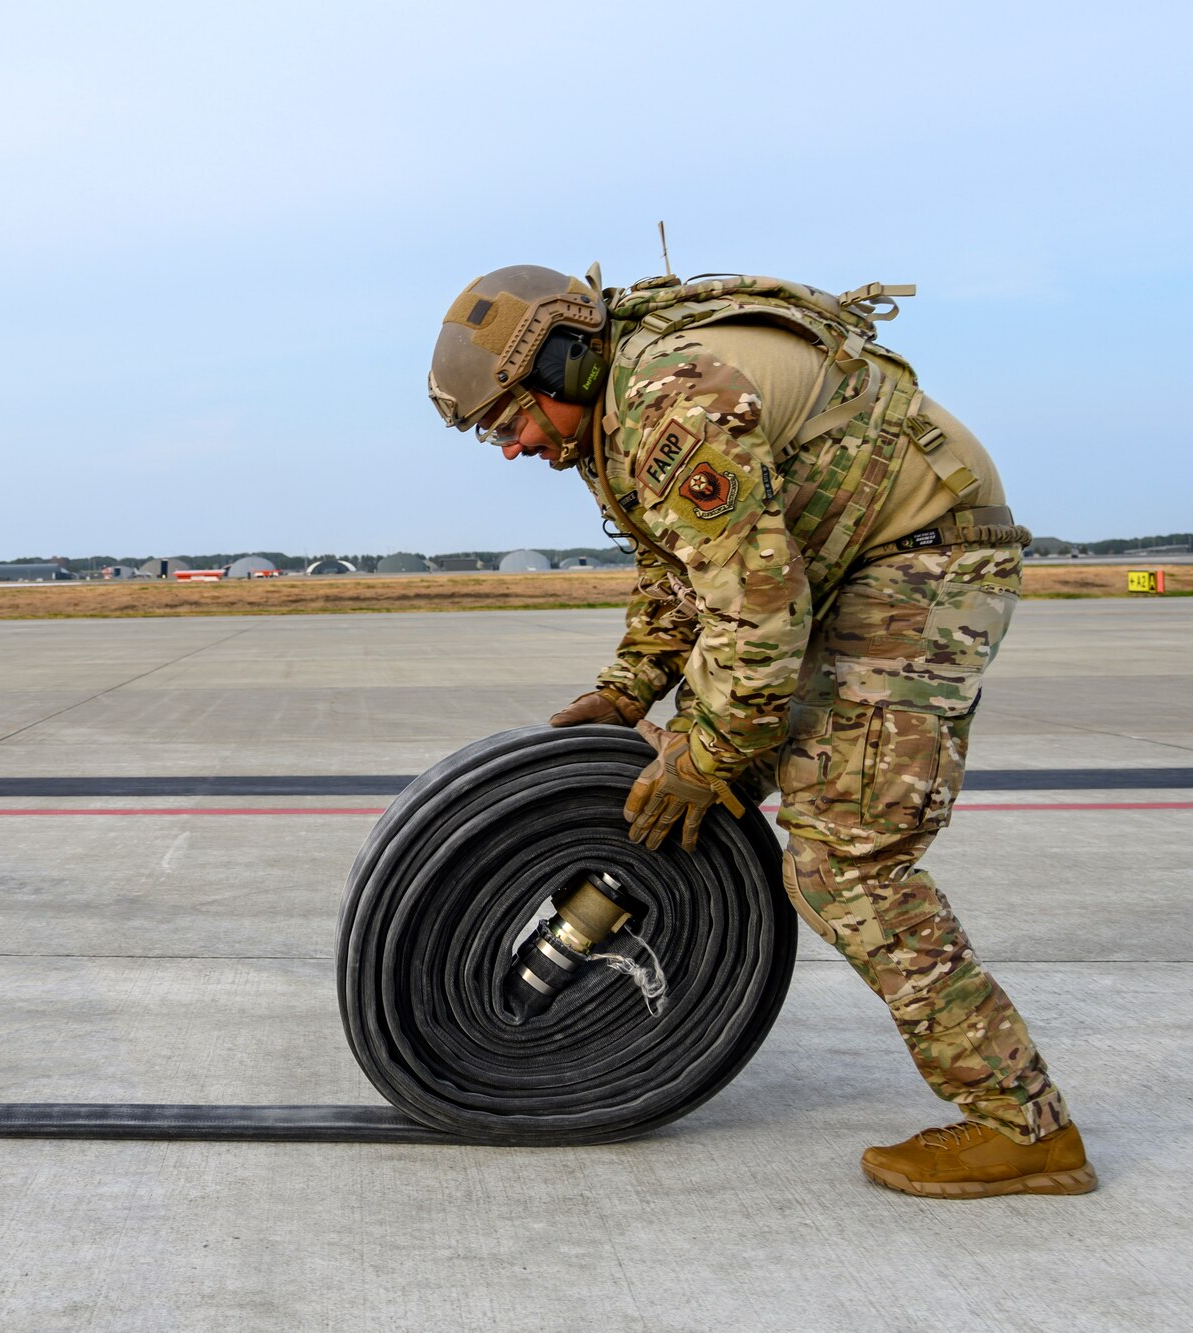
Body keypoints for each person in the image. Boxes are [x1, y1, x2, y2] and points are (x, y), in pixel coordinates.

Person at [427, 264, 1095, 1198]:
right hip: (851, 560)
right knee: (707, 764)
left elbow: (758, 623)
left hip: (922, 560)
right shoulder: (619, 412)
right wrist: (628, 692)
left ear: (566, 366)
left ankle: (1022, 1128)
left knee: (843, 862)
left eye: (511, 421)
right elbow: (682, 568)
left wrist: (702, 754)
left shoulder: (671, 404)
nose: (510, 448)